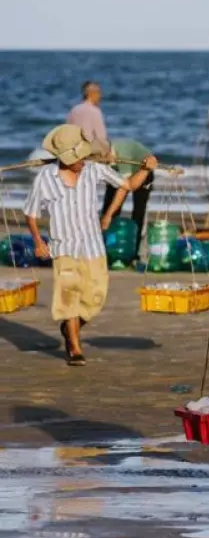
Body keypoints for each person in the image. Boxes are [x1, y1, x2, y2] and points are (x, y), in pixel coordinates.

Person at [23, 124, 157, 366]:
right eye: (77, 157)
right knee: (69, 298)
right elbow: (31, 214)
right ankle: (74, 346)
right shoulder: (45, 178)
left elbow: (127, 186)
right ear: (64, 158)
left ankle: (69, 327)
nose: (82, 160)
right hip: (63, 247)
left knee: (95, 298)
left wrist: (146, 170)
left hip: (93, 245)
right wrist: (37, 241)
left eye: (84, 155)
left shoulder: (94, 170)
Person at [101, 138, 154, 261]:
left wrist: (108, 215)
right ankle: (107, 248)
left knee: (138, 213)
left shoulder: (122, 153)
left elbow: (125, 187)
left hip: (143, 172)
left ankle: (134, 253)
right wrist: (108, 214)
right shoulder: (103, 159)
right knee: (109, 207)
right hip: (119, 172)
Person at [67, 81, 110, 155]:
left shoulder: (74, 110)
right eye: (99, 92)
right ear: (92, 93)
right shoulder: (95, 111)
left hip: (73, 149)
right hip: (89, 150)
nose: (101, 96)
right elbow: (101, 137)